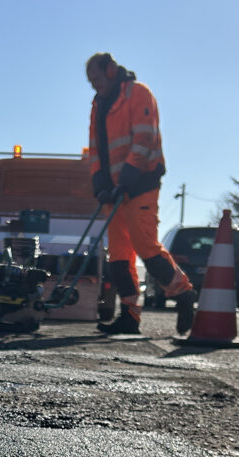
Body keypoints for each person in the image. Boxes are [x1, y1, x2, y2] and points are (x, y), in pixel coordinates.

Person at [86, 52, 196, 335]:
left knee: (144, 244)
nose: (94, 85)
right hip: (114, 191)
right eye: (90, 81)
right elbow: (95, 150)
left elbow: (144, 138)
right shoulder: (98, 107)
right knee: (119, 258)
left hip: (141, 183)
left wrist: (127, 179)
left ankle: (183, 295)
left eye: (97, 78)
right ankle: (130, 317)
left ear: (111, 71)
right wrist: (100, 185)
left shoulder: (138, 94)